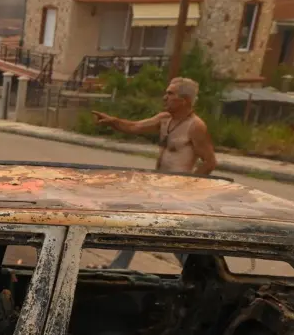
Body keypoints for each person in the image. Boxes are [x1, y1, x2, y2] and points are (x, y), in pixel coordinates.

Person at [91, 77, 218, 268]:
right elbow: (134, 126)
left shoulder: (195, 126)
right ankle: (117, 268)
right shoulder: (164, 119)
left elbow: (210, 161)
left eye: (170, 93)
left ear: (185, 100)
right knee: (138, 225)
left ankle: (199, 273)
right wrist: (112, 121)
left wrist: (188, 187)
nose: (164, 97)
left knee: (170, 237)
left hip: (177, 193)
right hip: (158, 188)